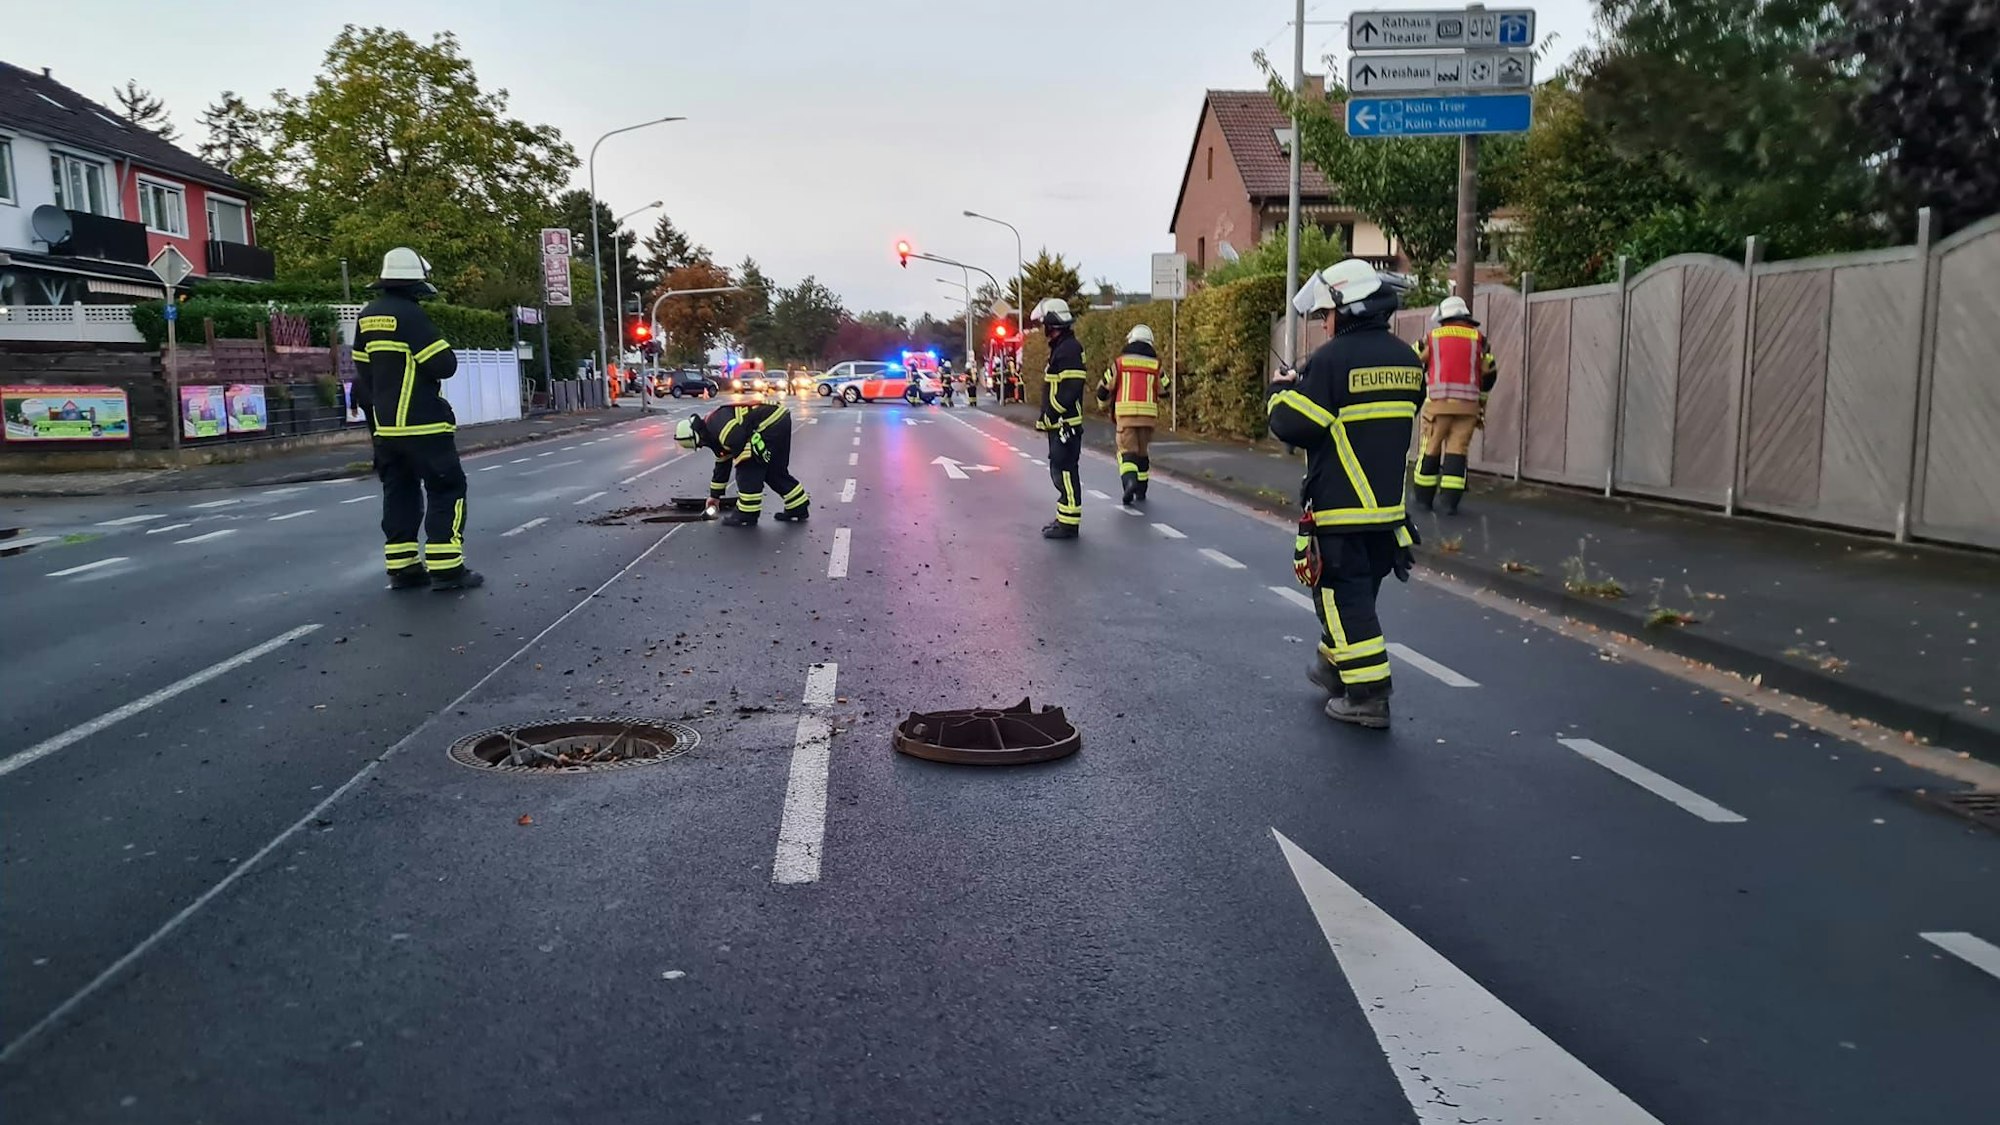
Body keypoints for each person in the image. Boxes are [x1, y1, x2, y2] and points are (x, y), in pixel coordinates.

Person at [1267, 260, 1424, 729]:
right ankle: (1332, 666)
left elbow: (1297, 423)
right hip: (1387, 514)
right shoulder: (1406, 360)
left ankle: (1369, 695)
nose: (1323, 322)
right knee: (1358, 597)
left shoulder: (1332, 361)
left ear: (1348, 308)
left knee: (1338, 597)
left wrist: (1279, 393)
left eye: (1326, 313)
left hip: (1341, 511)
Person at [350, 246, 482, 592]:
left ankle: (403, 567)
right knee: (447, 487)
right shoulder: (411, 316)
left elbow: (363, 373)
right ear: (416, 285)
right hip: (424, 425)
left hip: (385, 428)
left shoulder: (366, 316)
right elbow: (444, 365)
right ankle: (447, 569)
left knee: (399, 491)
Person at [1412, 295, 1498, 515]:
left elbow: (1411, 360)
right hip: (1468, 407)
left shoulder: (1431, 338)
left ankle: (1423, 500)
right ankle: (1449, 504)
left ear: (1444, 317)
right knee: (1457, 451)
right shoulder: (1480, 340)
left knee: (1430, 449)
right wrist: (1482, 403)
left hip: (1438, 407)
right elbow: (1489, 373)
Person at [675, 400, 810, 527]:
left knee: (748, 465)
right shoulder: (712, 431)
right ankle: (797, 506)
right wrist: (714, 496)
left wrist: (746, 466)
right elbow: (722, 464)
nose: (701, 446)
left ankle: (747, 513)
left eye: (699, 444)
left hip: (769, 423)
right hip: (779, 418)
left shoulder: (716, 424)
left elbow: (738, 440)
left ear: (696, 435)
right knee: (774, 470)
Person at [1032, 298, 1088, 539]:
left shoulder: (1068, 350)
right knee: (1060, 471)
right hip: (1060, 424)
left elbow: (1070, 388)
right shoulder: (1063, 347)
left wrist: (1050, 414)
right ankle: (1064, 519)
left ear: (1052, 324)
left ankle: (1069, 525)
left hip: (1065, 425)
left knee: (1064, 471)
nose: (1043, 329)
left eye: (1044, 324)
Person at [1096, 323, 1170, 506]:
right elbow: (1166, 389)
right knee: (1142, 453)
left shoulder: (1120, 363)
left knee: (1127, 452)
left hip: (1126, 416)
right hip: (1148, 418)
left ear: (1131, 340)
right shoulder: (1156, 365)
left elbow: (1104, 387)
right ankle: (1141, 492)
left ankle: (1130, 482)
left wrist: (1102, 401)